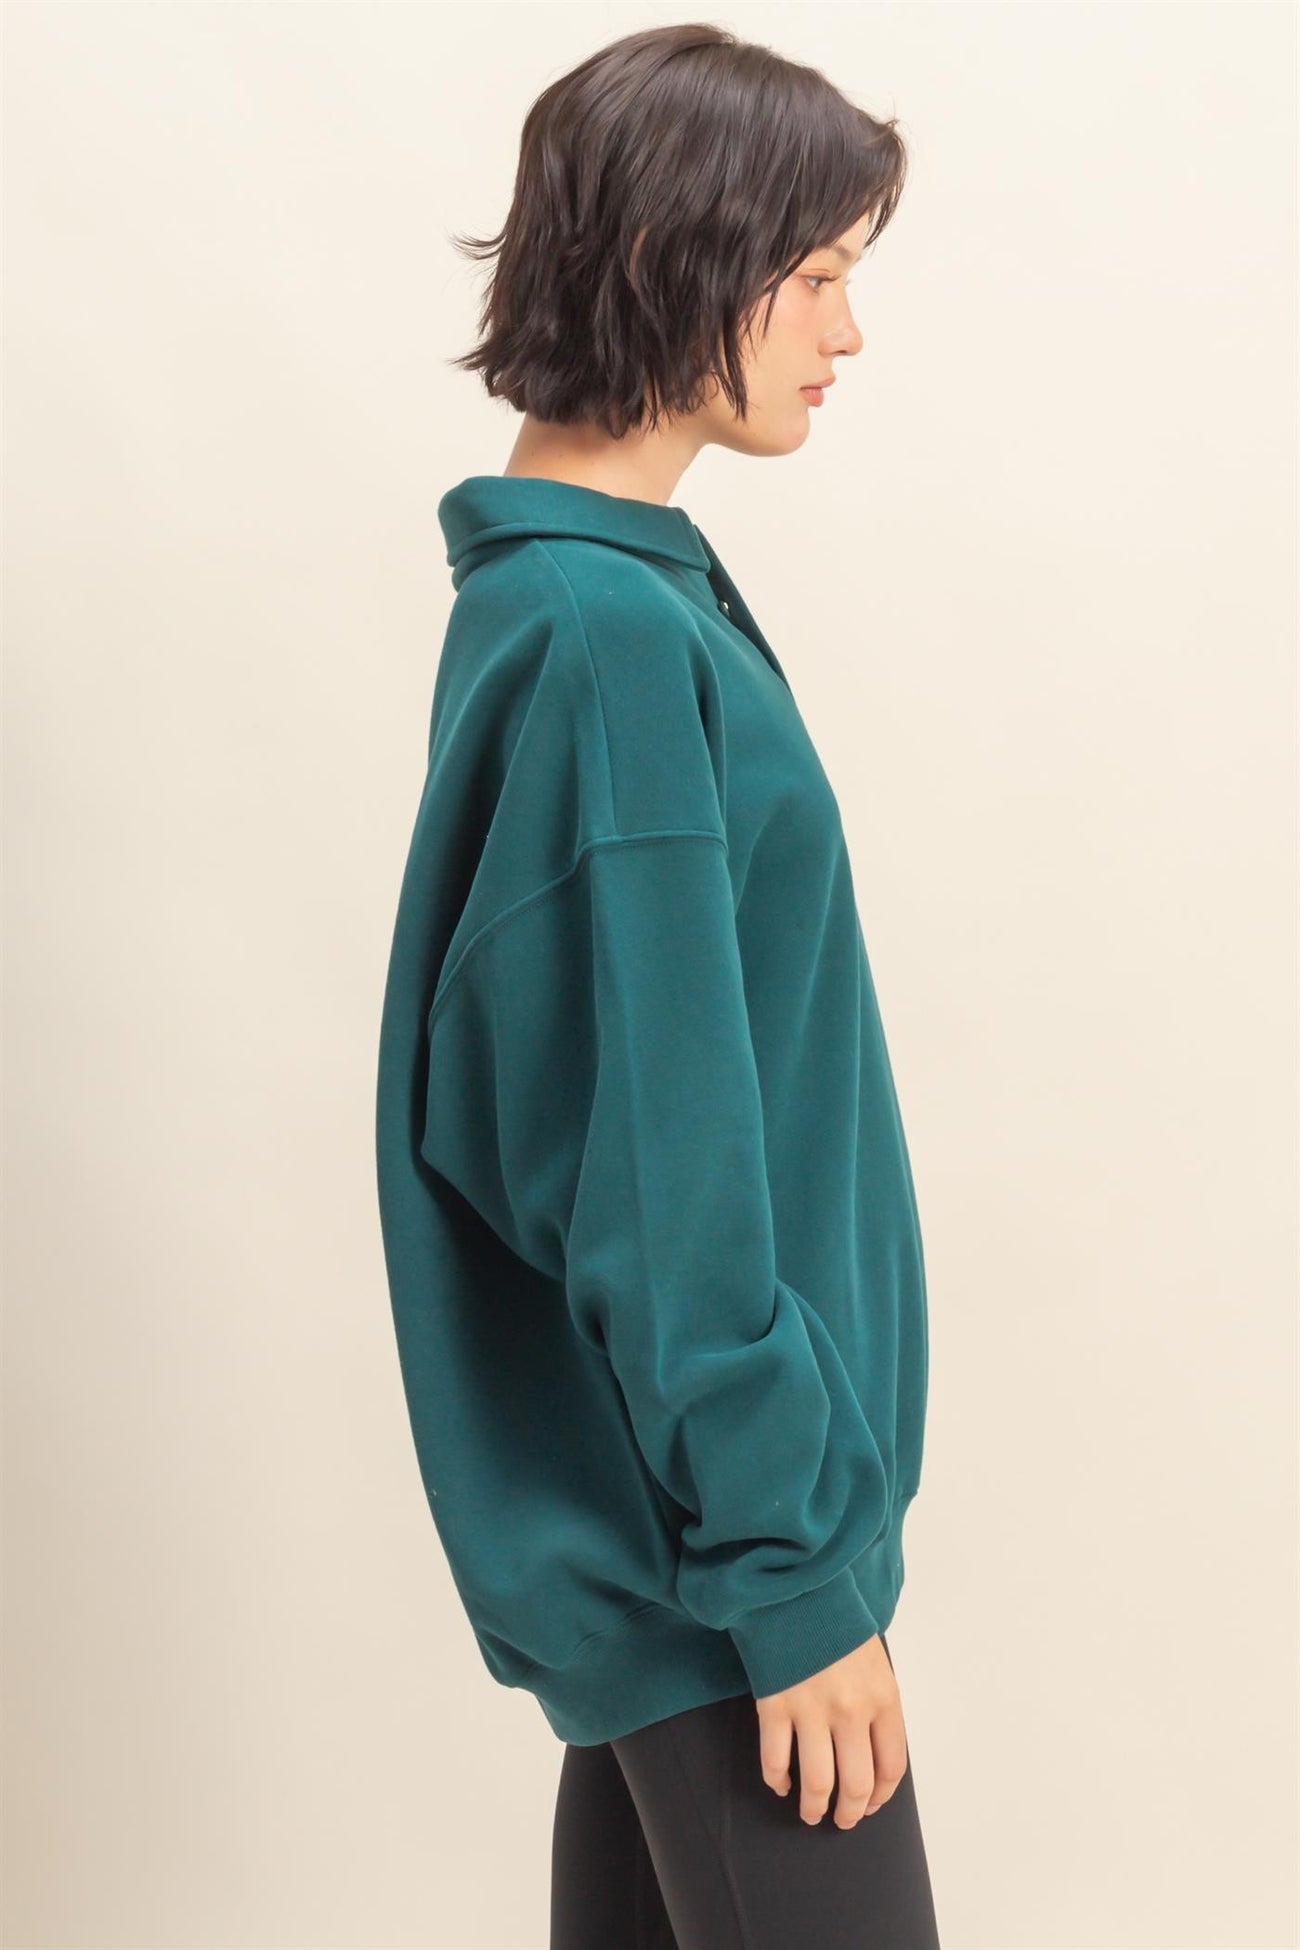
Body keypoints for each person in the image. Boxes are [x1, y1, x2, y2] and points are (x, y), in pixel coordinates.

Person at [374, 20, 940, 1947]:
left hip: (677, 1565)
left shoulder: (582, 599)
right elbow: (657, 1175)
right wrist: (793, 1577)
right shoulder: (604, 636)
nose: (848, 332)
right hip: (720, 1586)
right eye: (820, 275)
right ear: (679, 254)